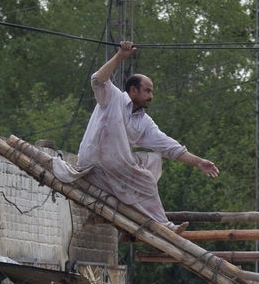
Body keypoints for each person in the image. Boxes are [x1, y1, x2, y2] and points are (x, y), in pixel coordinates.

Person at [75, 41, 219, 233]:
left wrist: (199, 162)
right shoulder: (112, 98)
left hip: (115, 171)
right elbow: (97, 80)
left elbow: (169, 146)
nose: (151, 96)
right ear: (133, 91)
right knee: (146, 180)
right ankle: (164, 225)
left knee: (154, 161)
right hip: (93, 166)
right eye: (148, 91)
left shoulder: (144, 122)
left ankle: (134, 204)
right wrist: (120, 55)